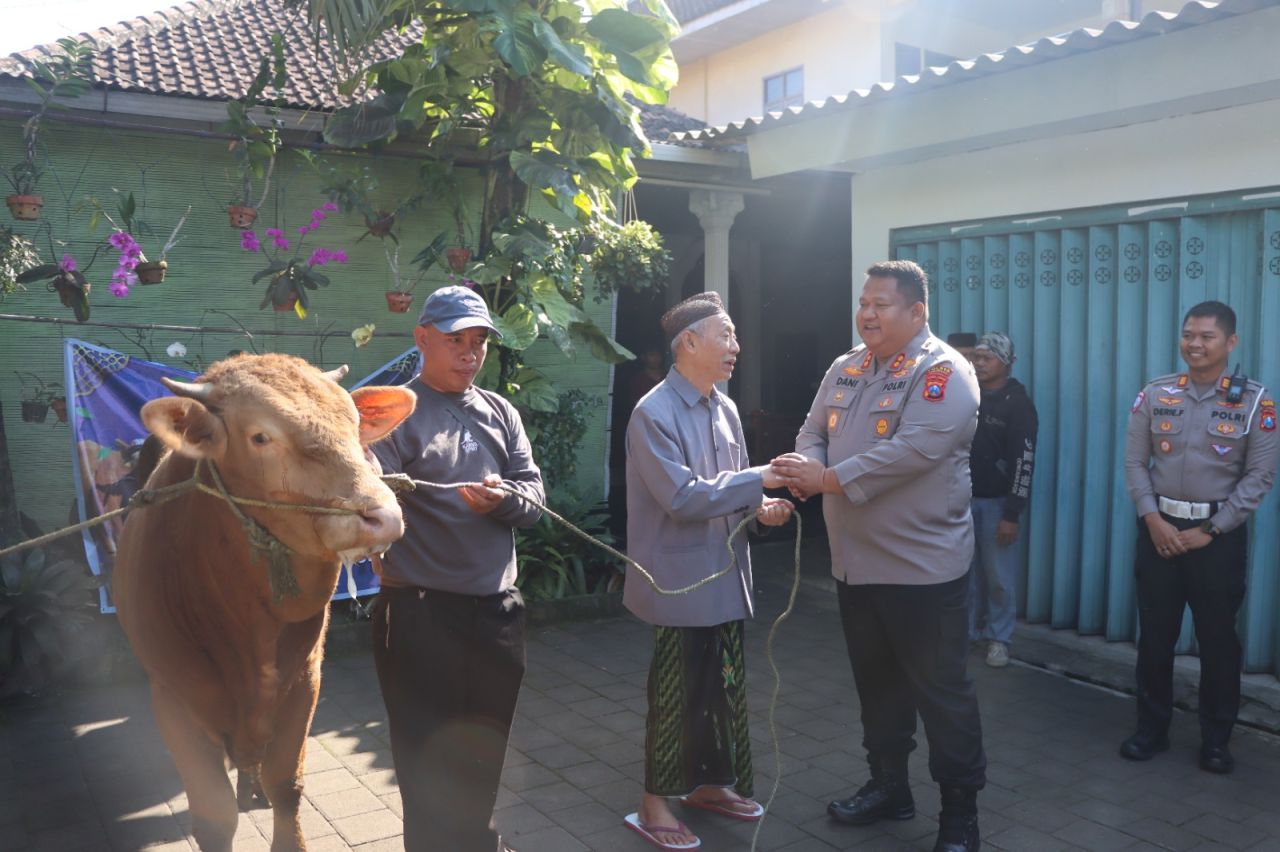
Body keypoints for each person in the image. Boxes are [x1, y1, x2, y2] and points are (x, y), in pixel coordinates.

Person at [772, 260, 986, 852]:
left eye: (881, 304)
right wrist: (811, 466)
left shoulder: (944, 372)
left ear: (917, 312)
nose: (867, 313)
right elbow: (812, 429)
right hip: (855, 564)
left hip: (923, 570)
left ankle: (960, 816)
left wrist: (827, 479)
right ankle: (890, 788)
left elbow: (914, 451)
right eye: (863, 303)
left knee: (942, 694)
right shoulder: (847, 366)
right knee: (877, 688)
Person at [369, 285, 545, 852]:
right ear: (422, 340)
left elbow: (535, 495)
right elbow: (374, 502)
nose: (470, 353)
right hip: (421, 612)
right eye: (455, 341)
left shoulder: (500, 411)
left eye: (478, 342)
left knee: (483, 749)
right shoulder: (393, 414)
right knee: (424, 755)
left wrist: (505, 502)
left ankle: (476, 841)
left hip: (497, 613)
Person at [623, 291, 794, 851]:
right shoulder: (653, 411)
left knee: (721, 688)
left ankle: (710, 786)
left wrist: (760, 508)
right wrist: (761, 480)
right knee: (676, 694)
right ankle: (653, 805)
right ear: (689, 343)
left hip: (725, 578)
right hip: (677, 584)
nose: (735, 347)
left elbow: (734, 483)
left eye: (736, 336)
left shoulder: (723, 405)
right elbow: (682, 498)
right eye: (726, 335)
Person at [1121, 300, 1277, 774]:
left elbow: (1259, 476)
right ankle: (1151, 729)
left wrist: (1213, 529)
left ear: (1230, 342)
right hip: (1159, 531)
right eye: (1189, 334)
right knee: (1155, 638)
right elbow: (1135, 463)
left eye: (1207, 336)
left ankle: (1216, 740)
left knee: (1217, 641)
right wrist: (1152, 519)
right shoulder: (1156, 393)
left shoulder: (1256, 402)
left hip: (1217, 540)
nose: (1195, 344)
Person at [967, 331, 1038, 668]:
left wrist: (1012, 513)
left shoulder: (1018, 404)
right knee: (964, 574)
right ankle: (967, 634)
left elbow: (1024, 462)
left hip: (997, 505)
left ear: (1006, 362)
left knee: (998, 577)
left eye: (987, 357)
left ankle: (999, 639)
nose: (979, 363)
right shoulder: (967, 396)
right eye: (977, 356)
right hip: (961, 502)